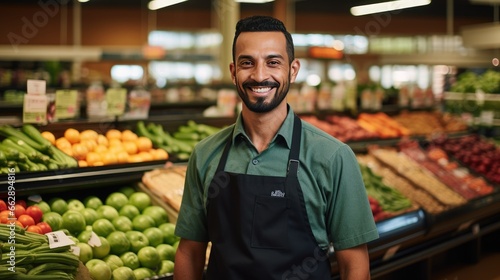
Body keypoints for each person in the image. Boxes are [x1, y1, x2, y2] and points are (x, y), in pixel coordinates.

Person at [174, 15, 379, 280]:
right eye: (247, 63)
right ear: (233, 71)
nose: (260, 75)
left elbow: (354, 265)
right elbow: (190, 252)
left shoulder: (332, 157)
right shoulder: (205, 155)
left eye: (273, 62)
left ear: (293, 70)